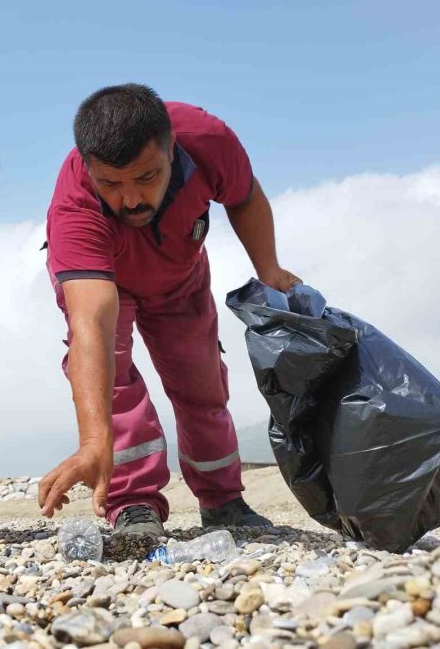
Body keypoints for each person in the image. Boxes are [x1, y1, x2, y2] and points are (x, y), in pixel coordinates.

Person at [39, 84, 300, 538]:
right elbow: (91, 327)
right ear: (88, 167)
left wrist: (269, 268)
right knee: (113, 374)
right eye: (111, 185)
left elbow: (243, 196)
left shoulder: (208, 139)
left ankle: (223, 501)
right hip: (108, 283)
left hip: (180, 276)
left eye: (146, 178)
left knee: (202, 383)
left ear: (172, 148)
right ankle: (134, 504)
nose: (131, 200)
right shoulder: (75, 210)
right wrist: (94, 442)